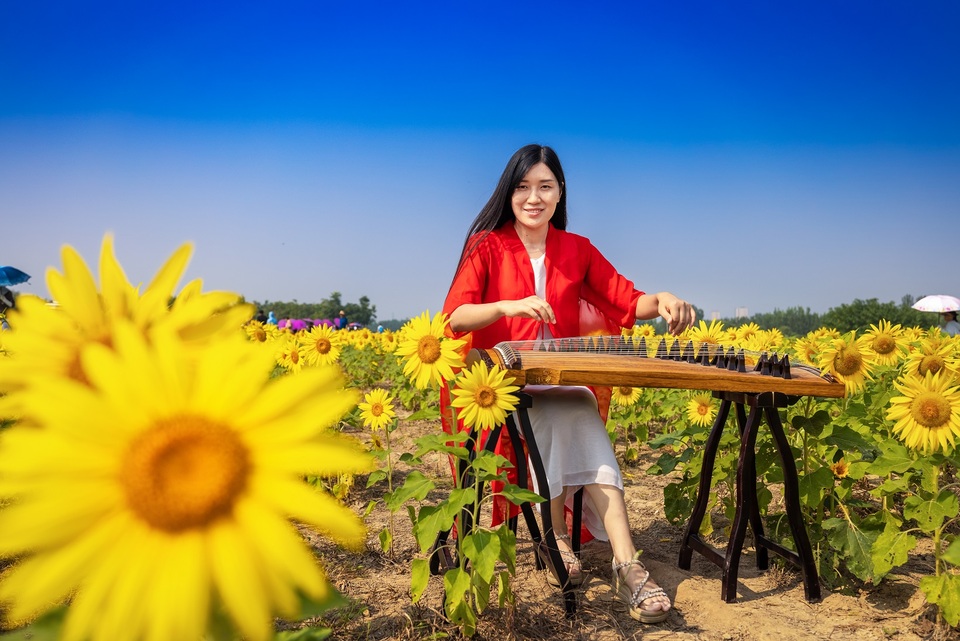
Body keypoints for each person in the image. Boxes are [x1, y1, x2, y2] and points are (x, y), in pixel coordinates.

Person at [442, 144, 695, 624]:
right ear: (508, 192)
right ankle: (559, 535)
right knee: (562, 411)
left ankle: (624, 561)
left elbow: (625, 298)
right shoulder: (487, 245)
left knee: (574, 405)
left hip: (557, 376)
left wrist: (661, 297)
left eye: (545, 186)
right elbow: (456, 315)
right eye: (522, 187)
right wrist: (507, 306)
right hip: (502, 381)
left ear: (560, 194)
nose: (533, 197)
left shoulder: (576, 248)